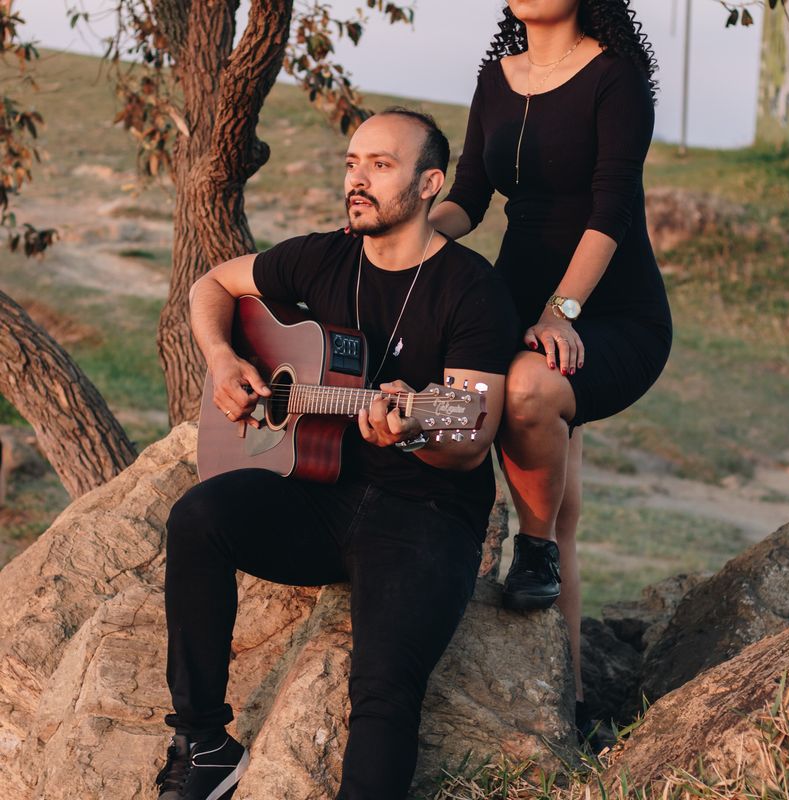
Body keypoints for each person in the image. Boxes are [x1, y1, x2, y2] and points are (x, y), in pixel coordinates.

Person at [154, 107, 519, 800]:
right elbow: (212, 284)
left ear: (429, 185)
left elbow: (470, 437)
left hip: (425, 514)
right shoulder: (323, 257)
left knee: (382, 689)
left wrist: (413, 430)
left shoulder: (472, 289)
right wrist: (225, 358)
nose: (357, 178)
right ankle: (202, 742)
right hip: (316, 492)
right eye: (353, 162)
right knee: (197, 518)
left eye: (381, 165)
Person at [429, 0, 672, 733]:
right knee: (559, 503)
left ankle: (530, 552)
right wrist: (404, 224)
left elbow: (611, 212)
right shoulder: (495, 77)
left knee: (533, 394)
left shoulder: (615, 77)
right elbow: (469, 197)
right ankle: (567, 708)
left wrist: (558, 313)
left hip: (608, 310)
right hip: (516, 298)